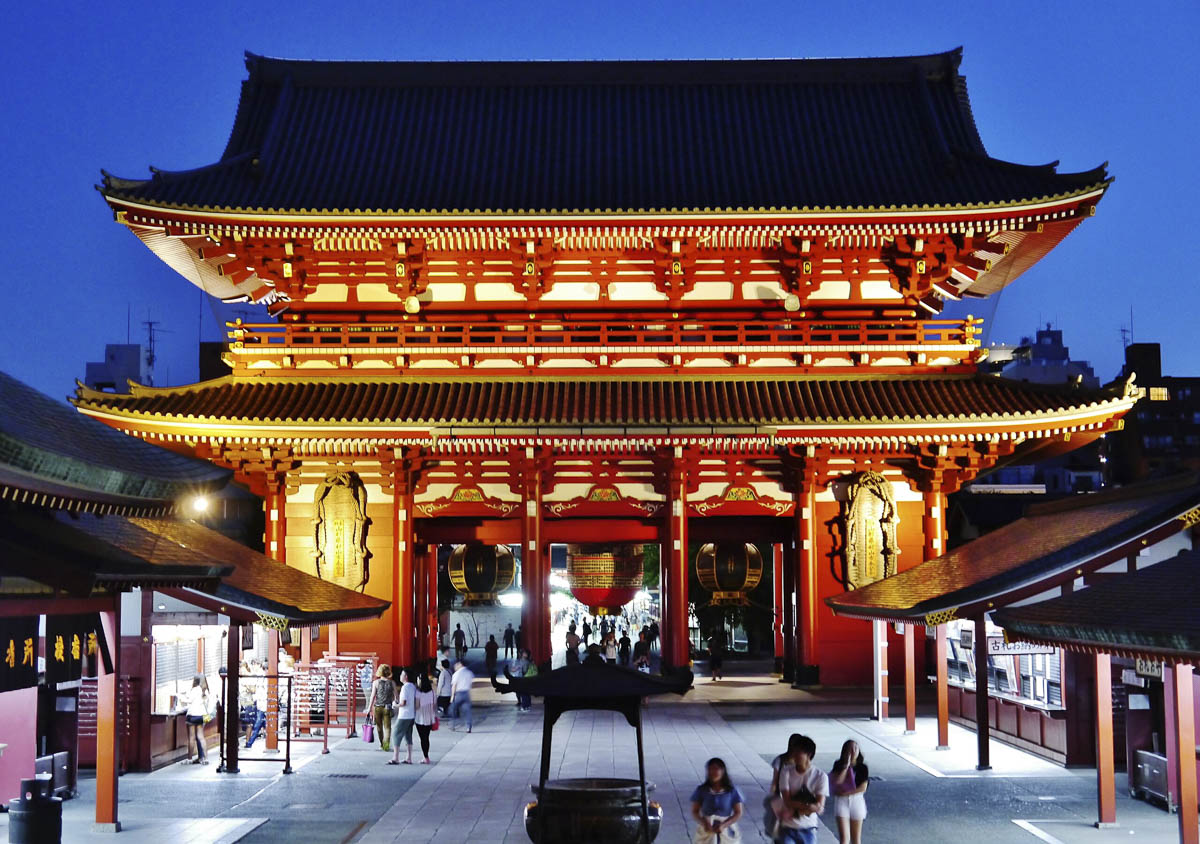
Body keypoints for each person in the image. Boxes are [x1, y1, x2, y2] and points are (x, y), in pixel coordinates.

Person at [775, 735, 827, 844]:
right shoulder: (786, 771)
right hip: (787, 827)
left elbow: (819, 806)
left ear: (809, 754)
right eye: (794, 751)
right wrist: (808, 806)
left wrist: (797, 807)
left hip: (809, 827)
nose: (794, 755)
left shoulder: (820, 776)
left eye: (798, 752)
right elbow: (787, 801)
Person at [691, 757, 744, 843]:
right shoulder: (701, 790)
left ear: (723, 771)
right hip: (707, 830)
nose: (713, 772)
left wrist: (724, 825)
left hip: (726, 830)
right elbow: (695, 811)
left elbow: (738, 812)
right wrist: (704, 822)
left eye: (716, 769)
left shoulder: (732, 791)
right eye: (710, 769)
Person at [830, 740, 869, 844]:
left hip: (857, 801)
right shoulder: (838, 764)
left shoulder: (863, 767)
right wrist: (846, 766)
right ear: (845, 751)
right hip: (841, 802)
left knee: (856, 839)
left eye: (855, 748)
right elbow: (838, 781)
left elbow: (863, 788)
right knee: (844, 839)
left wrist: (846, 793)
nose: (853, 751)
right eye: (850, 749)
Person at [388, 668, 417, 765]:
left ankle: (395, 757)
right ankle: (409, 758)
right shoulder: (413, 686)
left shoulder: (405, 687)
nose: (400, 676)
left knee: (396, 734)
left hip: (404, 715)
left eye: (402, 674)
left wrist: (395, 705)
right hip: (411, 715)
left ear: (406, 677)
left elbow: (403, 703)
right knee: (408, 736)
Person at [365, 664, 395, 752]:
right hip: (388, 707)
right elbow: (396, 697)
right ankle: (386, 746)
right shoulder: (392, 683)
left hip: (377, 707)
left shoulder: (376, 683)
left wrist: (369, 708)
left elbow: (373, 696)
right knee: (387, 728)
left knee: (379, 727)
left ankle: (382, 744)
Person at [183, 673, 212, 765]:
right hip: (202, 716)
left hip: (192, 715)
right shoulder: (206, 691)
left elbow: (189, 700)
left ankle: (190, 758)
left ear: (195, 681)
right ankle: (206, 758)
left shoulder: (195, 689)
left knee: (191, 738)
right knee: (201, 737)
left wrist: (181, 698)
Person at [413, 671, 437, 764]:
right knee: (426, 737)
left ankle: (425, 757)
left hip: (420, 717)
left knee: (422, 738)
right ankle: (426, 757)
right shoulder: (432, 692)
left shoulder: (418, 693)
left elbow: (417, 706)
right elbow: (434, 705)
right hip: (429, 717)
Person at [450, 660, 475, 733]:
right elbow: (472, 683)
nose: (454, 667)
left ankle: (453, 725)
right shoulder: (469, 673)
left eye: (455, 665)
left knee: (452, 709)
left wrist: (452, 696)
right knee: (467, 711)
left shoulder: (457, 674)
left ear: (460, 664)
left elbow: (454, 685)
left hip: (459, 693)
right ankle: (468, 727)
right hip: (466, 693)